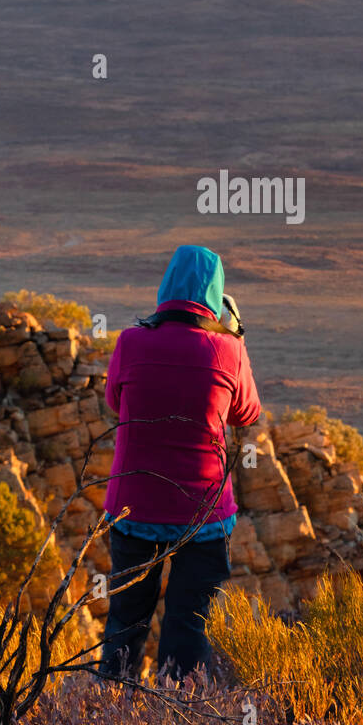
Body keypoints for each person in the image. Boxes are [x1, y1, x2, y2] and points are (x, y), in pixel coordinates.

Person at [100, 245, 261, 681]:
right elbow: (247, 413)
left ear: (166, 287)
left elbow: (116, 402)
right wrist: (236, 335)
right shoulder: (228, 350)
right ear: (216, 296)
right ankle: (176, 724)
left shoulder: (130, 342)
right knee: (189, 625)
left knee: (125, 623)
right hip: (203, 515)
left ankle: (103, 720)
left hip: (134, 509)